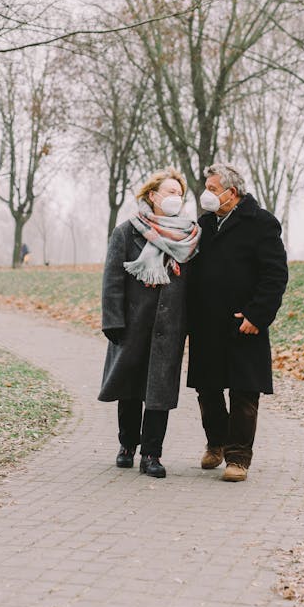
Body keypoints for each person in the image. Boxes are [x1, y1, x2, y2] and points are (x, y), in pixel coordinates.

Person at [187, 162, 288, 483]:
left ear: (231, 193)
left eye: (213, 190)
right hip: (206, 324)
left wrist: (258, 315)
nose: (207, 195)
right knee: (208, 391)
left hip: (244, 324)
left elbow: (275, 275)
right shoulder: (204, 224)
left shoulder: (261, 223)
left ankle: (239, 458)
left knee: (245, 393)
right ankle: (216, 443)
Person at [98, 167, 201, 478]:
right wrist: (113, 321)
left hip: (170, 328)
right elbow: (112, 278)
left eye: (179, 194)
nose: (176, 198)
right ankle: (127, 445)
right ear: (153, 196)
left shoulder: (190, 236)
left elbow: (196, 285)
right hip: (132, 325)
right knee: (130, 388)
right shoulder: (127, 231)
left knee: (159, 392)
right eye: (170, 192)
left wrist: (192, 323)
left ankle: (152, 454)